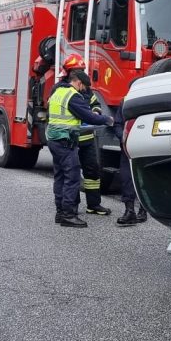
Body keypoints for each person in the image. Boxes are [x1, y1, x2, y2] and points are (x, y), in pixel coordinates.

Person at [46, 69, 113, 227]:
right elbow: (88, 116)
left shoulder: (57, 93)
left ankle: (60, 212)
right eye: (83, 86)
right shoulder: (72, 95)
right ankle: (68, 214)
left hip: (55, 139)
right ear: (78, 82)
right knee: (72, 177)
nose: (84, 90)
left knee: (61, 176)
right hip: (66, 141)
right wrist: (107, 120)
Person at [113, 98, 147, 226]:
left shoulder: (148, 101)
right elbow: (117, 124)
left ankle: (143, 209)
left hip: (145, 145)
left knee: (143, 177)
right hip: (128, 146)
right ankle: (130, 210)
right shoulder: (125, 102)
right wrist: (123, 137)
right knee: (127, 177)